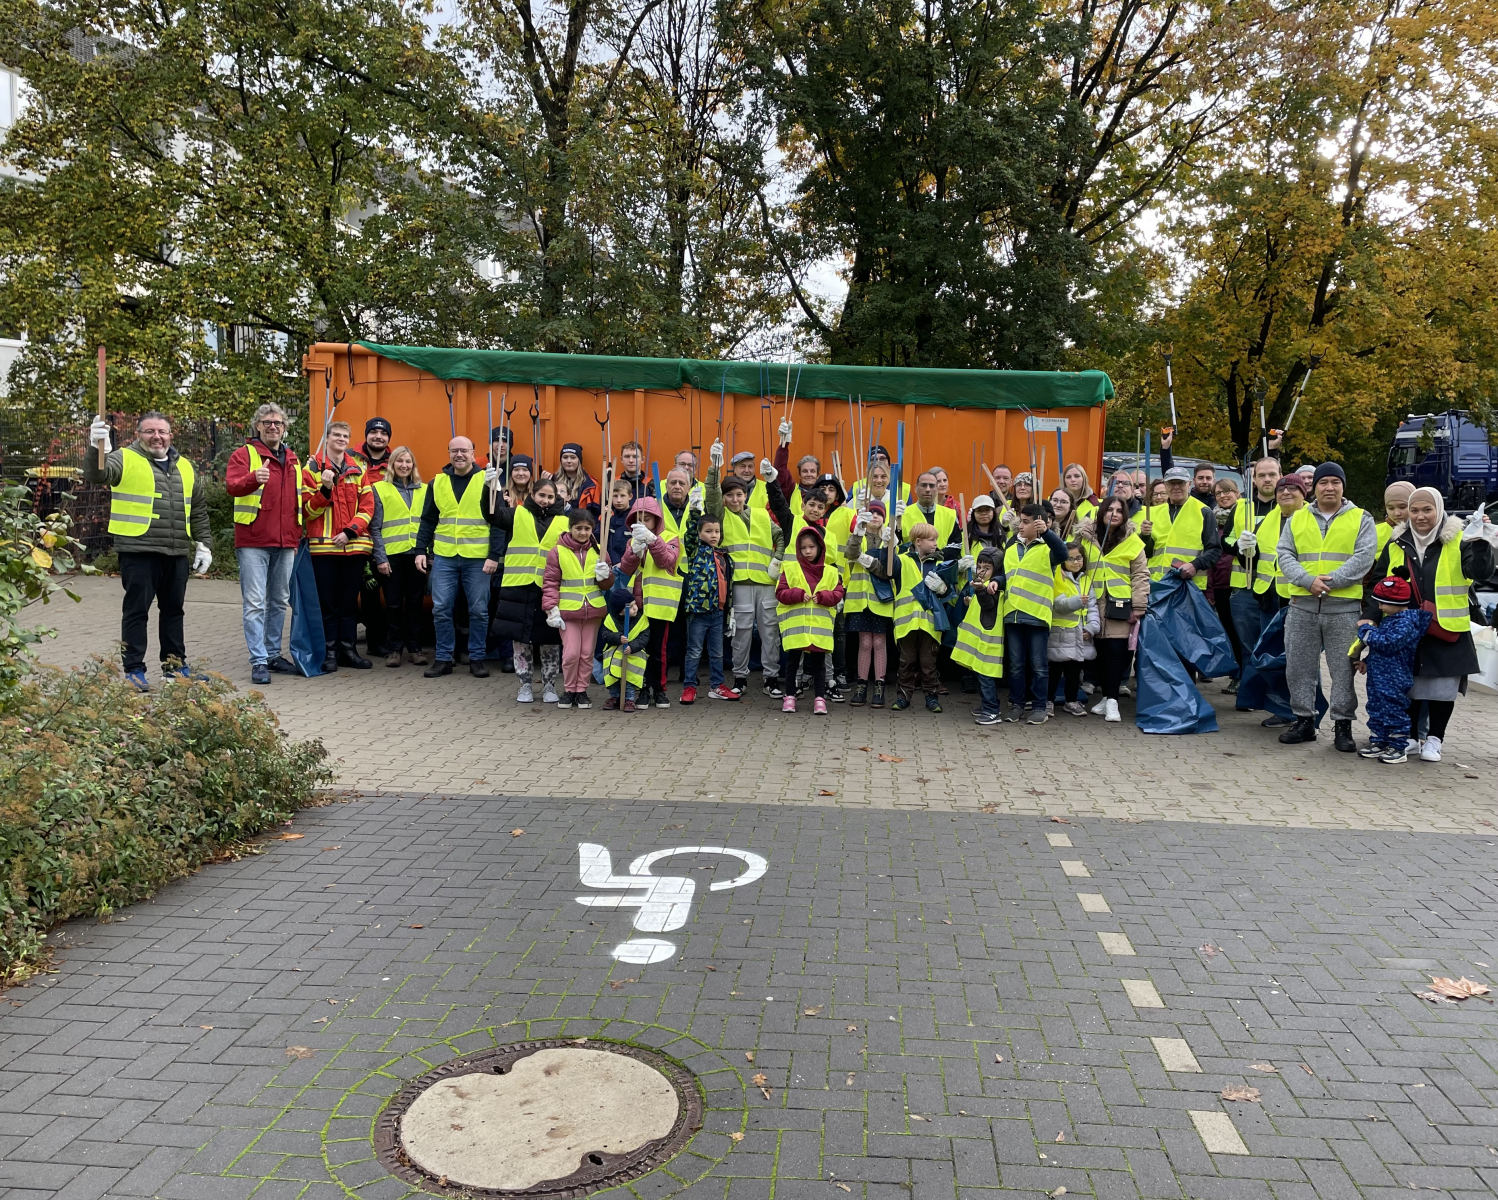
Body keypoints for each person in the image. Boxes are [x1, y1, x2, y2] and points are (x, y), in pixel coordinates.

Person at [1361, 486, 1493, 762]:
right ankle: (1409, 738)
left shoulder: (1459, 538)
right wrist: (1371, 615)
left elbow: (1479, 573)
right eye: (1415, 510)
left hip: (1444, 626)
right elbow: (1379, 584)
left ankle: (1435, 739)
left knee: (1442, 689)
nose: (1420, 516)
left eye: (1427, 510)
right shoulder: (1398, 541)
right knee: (1410, 684)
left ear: (1439, 510)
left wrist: (1481, 542)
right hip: (1405, 627)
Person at [85, 410, 212, 690]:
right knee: (136, 612)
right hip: (138, 550)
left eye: (162, 432)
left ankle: (174, 668)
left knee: (173, 611)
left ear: (170, 435)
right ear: (138, 435)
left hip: (176, 551)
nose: (157, 437)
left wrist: (204, 543)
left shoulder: (186, 467)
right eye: (150, 432)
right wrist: (96, 447)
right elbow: (97, 474)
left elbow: (198, 509)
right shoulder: (123, 458)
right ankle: (133, 670)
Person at [1276, 462, 1378, 750]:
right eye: (1323, 482)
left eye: (1335, 482)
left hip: (1343, 609)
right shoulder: (1296, 518)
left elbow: (1364, 557)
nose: (1329, 487)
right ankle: (1304, 721)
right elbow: (1284, 554)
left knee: (1343, 670)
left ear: (1343, 486)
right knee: (1298, 668)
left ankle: (1342, 726)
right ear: (1314, 487)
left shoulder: (1362, 518)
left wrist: (1330, 581)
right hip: (1302, 606)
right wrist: (1308, 581)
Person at [225, 403, 302, 684]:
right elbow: (232, 486)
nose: (273, 427)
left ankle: (272, 655)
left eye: (278, 423)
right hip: (254, 540)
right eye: (267, 422)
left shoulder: (293, 459)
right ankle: (258, 661)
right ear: (257, 426)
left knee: (280, 601)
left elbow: (299, 499)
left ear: (284, 428)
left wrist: (326, 491)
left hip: (286, 540)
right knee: (255, 603)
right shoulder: (244, 455)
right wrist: (252, 479)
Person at [414, 436, 503, 677]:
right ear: (449, 453)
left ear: (474, 453)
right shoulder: (437, 482)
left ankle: (477, 658)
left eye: (464, 450)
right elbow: (428, 520)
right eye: (454, 451)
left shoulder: (487, 480)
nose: (459, 455)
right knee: (441, 609)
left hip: (478, 557)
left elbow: (498, 523)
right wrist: (420, 550)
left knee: (479, 611)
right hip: (445, 556)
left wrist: (494, 555)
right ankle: (443, 659)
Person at [703, 440, 785, 697]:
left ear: (746, 495)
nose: (735, 499)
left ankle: (771, 678)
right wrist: (715, 467)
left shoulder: (761, 514)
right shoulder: (721, 515)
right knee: (741, 634)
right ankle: (740, 677)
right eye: (730, 495)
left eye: (739, 494)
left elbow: (781, 536)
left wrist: (777, 560)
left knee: (770, 632)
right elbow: (712, 494)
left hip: (766, 583)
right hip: (738, 584)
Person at [303, 421, 375, 672]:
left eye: (346, 435)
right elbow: (307, 511)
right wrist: (324, 487)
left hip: (353, 547)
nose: (341, 439)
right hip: (323, 548)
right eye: (336, 435)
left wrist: (350, 531)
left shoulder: (358, 469)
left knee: (348, 604)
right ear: (327, 438)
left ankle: (349, 650)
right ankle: (329, 653)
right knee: (327, 603)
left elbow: (368, 507)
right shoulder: (311, 468)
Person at [490, 476, 568, 701]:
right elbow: (492, 514)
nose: (545, 500)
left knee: (550, 639)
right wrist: (491, 492)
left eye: (550, 496)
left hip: (549, 587)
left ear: (557, 498)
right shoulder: (517, 513)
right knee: (520, 639)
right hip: (519, 585)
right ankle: (524, 685)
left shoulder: (565, 521)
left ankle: (550, 685)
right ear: (532, 495)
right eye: (541, 495)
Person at [1078, 495, 1148, 722]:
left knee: (1117, 653)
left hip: (1121, 605)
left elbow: (1140, 575)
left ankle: (1112, 701)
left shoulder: (1133, 541)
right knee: (1097, 653)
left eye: (1119, 510)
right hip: (1091, 604)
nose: (1115, 514)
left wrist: (1138, 605)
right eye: (1110, 510)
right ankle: (1105, 699)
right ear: (1102, 513)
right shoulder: (1085, 538)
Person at [1351, 577, 1430, 764]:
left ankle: (1398, 747)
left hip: (1395, 677)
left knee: (1394, 709)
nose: (1379, 607)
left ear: (1397, 603)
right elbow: (1379, 649)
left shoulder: (1406, 623)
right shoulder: (1390, 619)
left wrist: (1366, 631)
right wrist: (1367, 661)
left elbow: (1388, 644)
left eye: (1383, 603)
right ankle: (1379, 741)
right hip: (1378, 675)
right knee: (1376, 707)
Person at [1002, 503, 1068, 723]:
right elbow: (1008, 577)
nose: (1020, 526)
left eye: (1026, 522)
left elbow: (1063, 553)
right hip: (1012, 614)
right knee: (1015, 665)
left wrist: (1047, 532)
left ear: (1038, 524)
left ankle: (1039, 707)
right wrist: (994, 582)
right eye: (1021, 521)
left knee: (1039, 665)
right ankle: (1017, 705)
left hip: (1037, 616)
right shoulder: (1011, 549)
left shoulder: (1047, 549)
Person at [1224, 455, 1283, 701]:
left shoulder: (1289, 507)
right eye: (1262, 475)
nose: (1267, 479)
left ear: (1280, 476)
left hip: (1277, 587)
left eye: (1272, 474)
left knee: (1273, 646)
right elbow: (1224, 540)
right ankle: (1250, 696)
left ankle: (1274, 697)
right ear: (1254, 480)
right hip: (1244, 587)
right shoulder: (1241, 507)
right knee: (1248, 646)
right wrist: (1238, 546)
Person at [542, 506, 612, 709]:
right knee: (571, 653)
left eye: (587, 529)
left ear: (592, 530)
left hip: (593, 610)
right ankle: (569, 689)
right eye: (578, 528)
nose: (583, 532)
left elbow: (606, 585)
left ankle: (581, 691)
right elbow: (550, 582)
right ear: (570, 528)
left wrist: (606, 575)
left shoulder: (600, 550)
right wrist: (551, 608)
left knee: (587, 652)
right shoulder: (557, 551)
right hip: (568, 611)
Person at [620, 496, 683, 707]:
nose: (643, 523)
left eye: (648, 519)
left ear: (657, 520)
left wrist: (653, 541)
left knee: (658, 651)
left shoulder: (671, 537)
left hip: (660, 604)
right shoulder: (633, 540)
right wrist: (634, 550)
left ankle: (660, 689)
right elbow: (626, 569)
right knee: (639, 649)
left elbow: (666, 561)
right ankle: (642, 689)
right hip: (637, 605)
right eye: (639, 519)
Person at [775, 526, 843, 714]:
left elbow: (838, 593)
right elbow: (780, 593)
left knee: (819, 665)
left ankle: (819, 698)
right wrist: (797, 594)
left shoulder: (830, 571)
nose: (807, 551)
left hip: (819, 628)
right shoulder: (789, 568)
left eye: (811, 547)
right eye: (804, 548)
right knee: (792, 664)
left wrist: (822, 597)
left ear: (820, 547)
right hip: (796, 629)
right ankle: (790, 697)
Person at [371, 446, 429, 667]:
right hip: (391, 556)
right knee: (393, 605)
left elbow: (429, 525)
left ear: (413, 465)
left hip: (417, 556)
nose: (404, 465)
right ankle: (394, 649)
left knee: (415, 604)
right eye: (399, 461)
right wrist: (381, 558)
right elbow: (375, 527)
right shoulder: (380, 488)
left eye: (408, 462)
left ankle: (415, 648)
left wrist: (427, 553)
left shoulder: (424, 490)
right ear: (392, 464)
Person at [678, 495, 739, 703]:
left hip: (718, 612)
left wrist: (729, 611)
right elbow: (690, 535)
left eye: (716, 531)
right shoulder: (696, 550)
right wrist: (695, 511)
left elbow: (727, 585)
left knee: (718, 653)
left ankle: (717, 686)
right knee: (694, 651)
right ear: (700, 533)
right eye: (708, 531)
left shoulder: (723, 555)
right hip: (698, 612)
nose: (713, 535)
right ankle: (689, 687)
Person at [891, 522, 953, 712]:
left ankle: (932, 697)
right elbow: (888, 567)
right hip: (906, 622)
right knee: (906, 662)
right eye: (932, 539)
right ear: (918, 541)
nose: (936, 543)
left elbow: (949, 594)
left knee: (929, 663)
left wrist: (943, 589)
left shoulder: (940, 564)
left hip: (930, 623)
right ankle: (903, 697)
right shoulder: (902, 560)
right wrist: (889, 543)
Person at [842, 501, 895, 707]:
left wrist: (892, 543)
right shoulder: (859, 537)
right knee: (864, 643)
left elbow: (888, 569)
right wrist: (856, 533)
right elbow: (850, 553)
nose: (875, 516)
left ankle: (879, 685)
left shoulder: (888, 538)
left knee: (880, 643)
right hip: (859, 600)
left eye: (879, 513)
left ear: (884, 518)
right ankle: (862, 685)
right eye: (871, 512)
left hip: (880, 601)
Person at [1140, 466, 1219, 588]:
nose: (1176, 487)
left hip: (1188, 586)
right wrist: (1144, 537)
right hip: (1156, 584)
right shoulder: (1154, 512)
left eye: (1180, 483)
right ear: (1165, 485)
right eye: (1172, 483)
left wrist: (1195, 565)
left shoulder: (1204, 512)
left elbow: (1215, 550)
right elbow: (1147, 553)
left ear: (1189, 484)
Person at [952, 547, 1005, 724]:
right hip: (979, 640)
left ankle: (992, 710)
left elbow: (989, 605)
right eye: (979, 567)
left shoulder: (994, 587)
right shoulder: (982, 585)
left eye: (986, 568)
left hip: (988, 641)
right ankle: (987, 705)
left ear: (996, 570)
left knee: (985, 676)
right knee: (979, 674)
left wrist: (981, 591)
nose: (981, 571)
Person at [1048, 541, 1099, 716]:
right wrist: (1078, 601)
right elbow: (1058, 605)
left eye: (1079, 558)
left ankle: (1071, 700)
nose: (1076, 562)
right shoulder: (1058, 576)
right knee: (1054, 669)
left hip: (1079, 633)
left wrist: (1091, 628)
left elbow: (1092, 608)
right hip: (1060, 632)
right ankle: (1048, 701)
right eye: (1070, 559)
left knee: (1074, 670)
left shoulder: (1086, 579)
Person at [1208, 477, 1244, 687]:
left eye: (1227, 491)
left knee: (1243, 633)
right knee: (1229, 630)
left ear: (1237, 492)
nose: (1223, 496)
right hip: (1220, 584)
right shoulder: (1212, 520)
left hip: (1240, 583)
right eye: (1218, 493)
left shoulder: (1245, 517)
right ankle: (1236, 674)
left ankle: (1244, 676)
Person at [600, 576, 649, 712]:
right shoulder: (611, 619)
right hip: (615, 655)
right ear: (620, 612)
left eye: (634, 604)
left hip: (633, 655)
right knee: (614, 678)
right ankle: (615, 697)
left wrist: (632, 647)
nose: (635, 608)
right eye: (630, 607)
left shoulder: (641, 619)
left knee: (629, 679)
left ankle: (629, 699)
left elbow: (644, 637)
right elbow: (605, 634)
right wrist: (617, 638)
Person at [901, 471, 960, 549]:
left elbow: (956, 545)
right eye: (923, 485)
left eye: (932, 486)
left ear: (937, 489)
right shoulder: (902, 515)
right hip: (911, 560)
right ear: (915, 489)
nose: (928, 489)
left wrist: (937, 556)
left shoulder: (950, 515)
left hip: (942, 560)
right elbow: (897, 547)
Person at [1376, 481, 1414, 566]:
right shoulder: (1374, 532)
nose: (1396, 513)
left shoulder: (1427, 533)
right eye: (1390, 508)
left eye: (1402, 507)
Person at [555, 442, 599, 515]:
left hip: (581, 524)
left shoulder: (591, 485)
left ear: (579, 460)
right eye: (565, 457)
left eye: (573, 457)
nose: (569, 461)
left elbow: (596, 514)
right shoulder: (552, 481)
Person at [353, 416, 393, 482]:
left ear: (388, 438)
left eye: (384, 433)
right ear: (366, 436)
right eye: (373, 432)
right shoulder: (347, 457)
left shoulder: (395, 463)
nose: (378, 436)